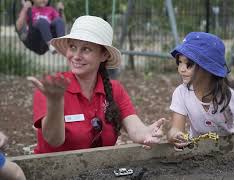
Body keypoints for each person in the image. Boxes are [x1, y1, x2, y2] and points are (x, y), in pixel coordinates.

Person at [27, 15, 165, 154]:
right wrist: (55, 102)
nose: (76, 55)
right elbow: (53, 140)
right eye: (73, 47)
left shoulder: (114, 89)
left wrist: (147, 133)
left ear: (104, 55)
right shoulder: (52, 88)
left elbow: (135, 128)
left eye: (86, 49)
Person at [167, 32, 234, 170]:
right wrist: (174, 135)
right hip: (199, 153)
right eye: (179, 62)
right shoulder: (181, 93)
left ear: (208, 68)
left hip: (232, 148)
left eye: (188, 64)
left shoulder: (227, 96)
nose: (181, 69)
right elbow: (176, 128)